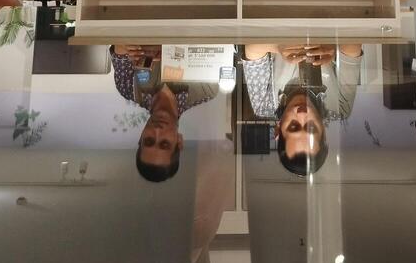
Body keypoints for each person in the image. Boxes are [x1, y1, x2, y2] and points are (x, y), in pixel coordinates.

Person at [242, 43, 363, 175]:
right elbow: (353, 46)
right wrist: (335, 45)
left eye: (293, 126)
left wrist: (277, 46)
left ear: (278, 129)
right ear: (323, 130)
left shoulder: (264, 105)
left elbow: (251, 47)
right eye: (311, 126)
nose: (302, 113)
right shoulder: (340, 109)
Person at [111, 44, 219, 182]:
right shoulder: (206, 90)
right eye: (164, 143)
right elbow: (216, 40)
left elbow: (120, 43)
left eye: (149, 140)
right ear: (179, 141)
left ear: (141, 137)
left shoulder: (128, 88)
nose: (157, 131)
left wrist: (127, 47)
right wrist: (170, 51)